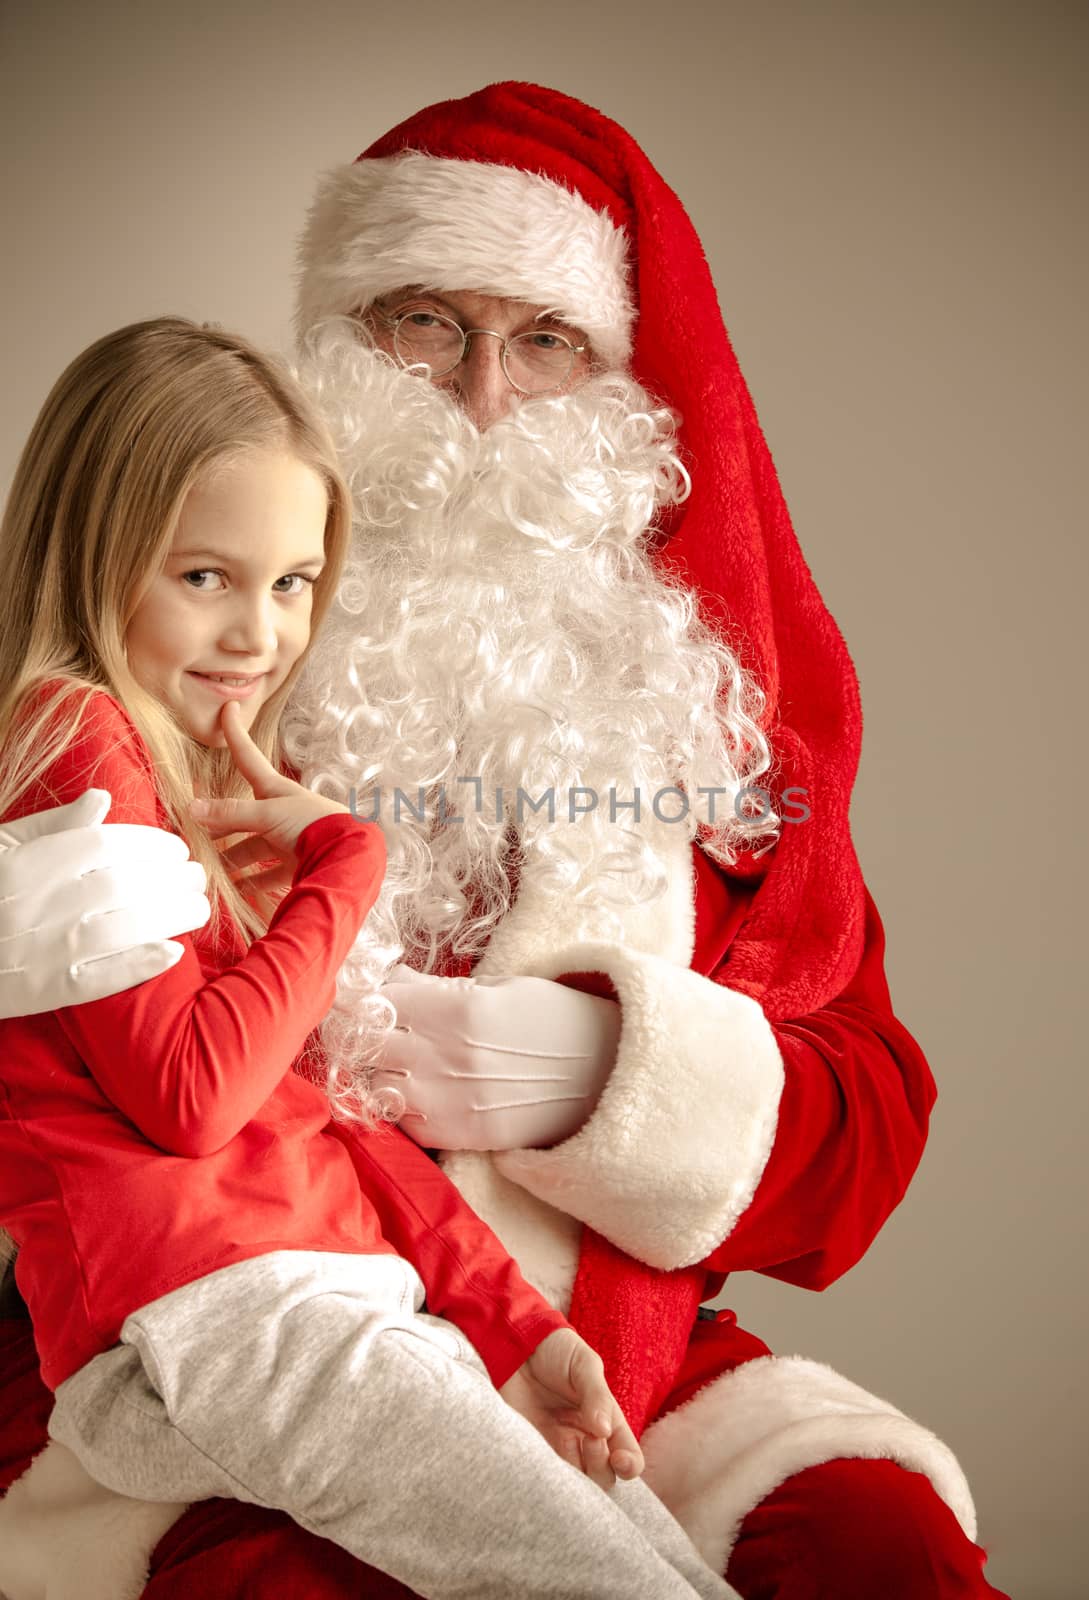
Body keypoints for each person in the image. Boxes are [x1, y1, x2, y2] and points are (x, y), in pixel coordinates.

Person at [0, 84, 1010, 1599]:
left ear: (623, 392)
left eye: (542, 340)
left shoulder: (695, 717)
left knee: (882, 1552)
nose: (480, 394)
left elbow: (864, 1132)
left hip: (614, 1346)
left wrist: (601, 1074)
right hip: (241, 1328)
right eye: (421, 322)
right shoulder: (172, 697)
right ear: (336, 346)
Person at [0, 316, 744, 1600]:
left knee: (650, 1561)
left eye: (292, 582)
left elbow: (312, 1118)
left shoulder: (190, 790)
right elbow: (195, 1099)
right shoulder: (71, 739)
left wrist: (516, 1330)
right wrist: (348, 864)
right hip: (220, 1318)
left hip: (318, 1300)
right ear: (94, 551)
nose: (258, 635)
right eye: (203, 577)